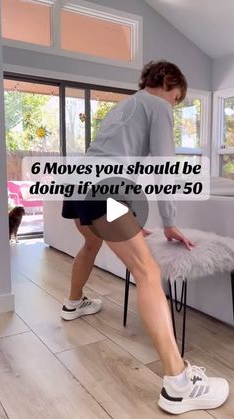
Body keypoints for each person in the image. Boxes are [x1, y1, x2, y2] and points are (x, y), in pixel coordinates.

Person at [61, 61, 229, 414]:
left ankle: (73, 303)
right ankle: (178, 383)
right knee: (148, 272)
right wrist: (169, 221)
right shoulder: (157, 106)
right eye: (176, 98)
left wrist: (129, 221)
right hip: (104, 189)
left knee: (91, 243)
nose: (174, 105)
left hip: (79, 183)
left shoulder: (125, 105)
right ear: (168, 84)